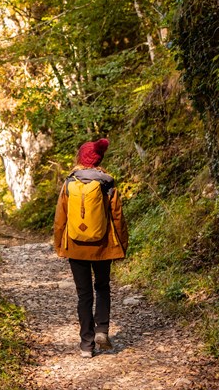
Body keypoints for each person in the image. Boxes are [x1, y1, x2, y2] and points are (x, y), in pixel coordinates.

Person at [53, 138, 129, 358]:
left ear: (80, 159)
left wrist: (60, 245)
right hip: (102, 246)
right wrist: (122, 245)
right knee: (102, 287)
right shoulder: (107, 183)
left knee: (84, 295)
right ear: (98, 160)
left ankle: (86, 345)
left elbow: (60, 218)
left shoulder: (69, 183)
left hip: (76, 247)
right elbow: (118, 217)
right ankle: (102, 330)